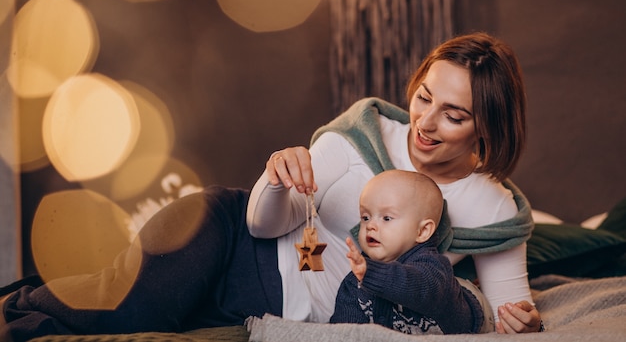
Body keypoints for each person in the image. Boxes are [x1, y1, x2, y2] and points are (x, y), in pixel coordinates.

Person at [0, 32, 543, 341]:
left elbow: (505, 311)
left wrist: (523, 319)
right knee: (127, 315)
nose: (425, 122)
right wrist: (279, 175)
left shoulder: (492, 206)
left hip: (265, 308)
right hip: (228, 240)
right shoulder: (365, 132)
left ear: (486, 126)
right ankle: (12, 305)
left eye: (453, 116)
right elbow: (263, 223)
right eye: (424, 97)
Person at [329, 169, 487, 334]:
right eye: (365, 217)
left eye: (387, 218)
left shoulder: (433, 270)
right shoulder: (356, 281)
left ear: (422, 231)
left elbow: (415, 286)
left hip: (471, 312)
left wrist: (371, 273)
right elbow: (345, 329)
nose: (370, 225)